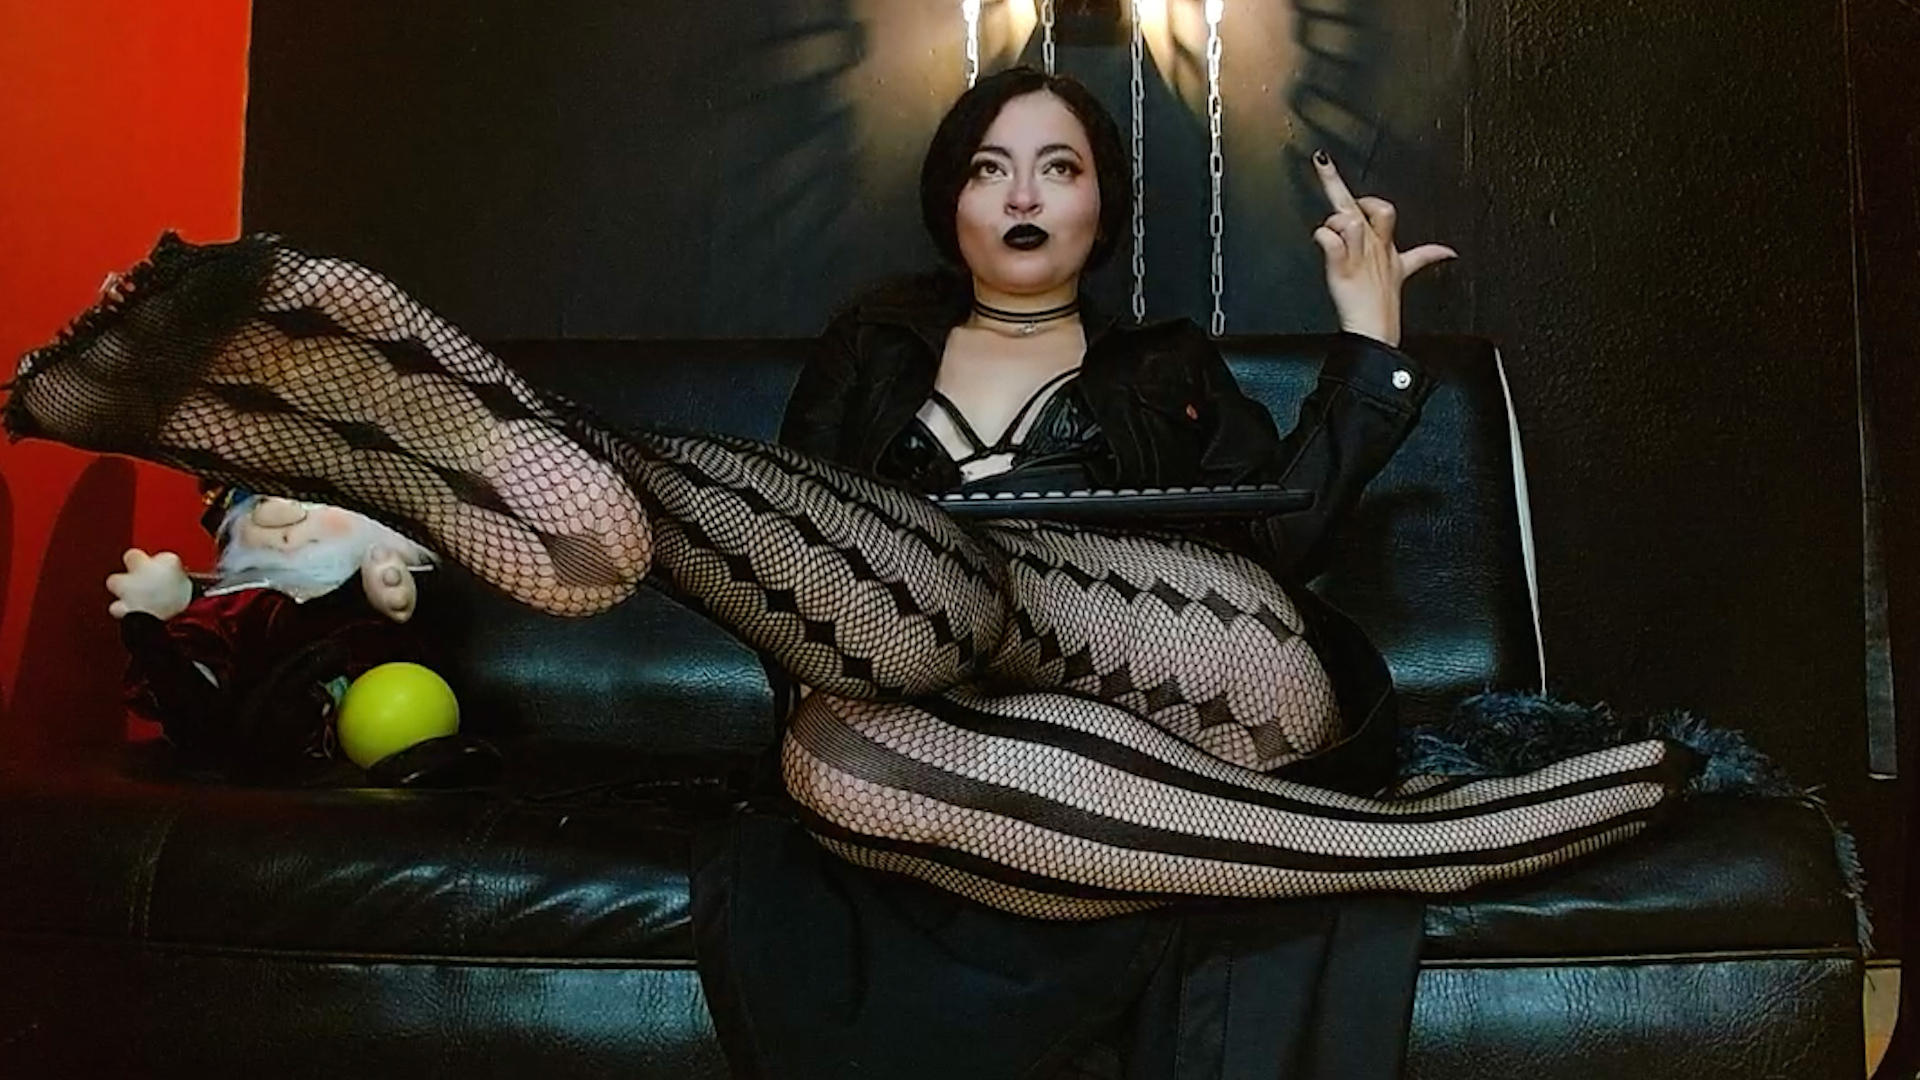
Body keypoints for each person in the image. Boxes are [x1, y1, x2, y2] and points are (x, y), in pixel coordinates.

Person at [4, 66, 1690, 1078]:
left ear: (1100, 206)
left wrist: (1371, 348)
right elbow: (803, 584)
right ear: (950, 199)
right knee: (845, 755)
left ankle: (554, 460)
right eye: (991, 165)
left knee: (983, 589)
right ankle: (587, 489)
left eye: (1058, 166)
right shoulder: (875, 352)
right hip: (934, 718)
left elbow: (1284, 529)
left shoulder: (1163, 362)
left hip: (1202, 680)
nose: (1022, 193)